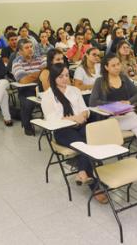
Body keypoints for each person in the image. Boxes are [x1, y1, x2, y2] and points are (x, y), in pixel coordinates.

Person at [41, 63, 107, 204]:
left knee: (92, 139)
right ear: (53, 78)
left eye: (66, 75)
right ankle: (94, 186)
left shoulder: (74, 90)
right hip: (62, 130)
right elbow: (52, 119)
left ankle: (82, 172)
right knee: (85, 145)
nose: (65, 79)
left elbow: (85, 109)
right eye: (61, 76)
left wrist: (83, 115)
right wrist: (73, 118)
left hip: (80, 124)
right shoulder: (47, 95)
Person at [89, 54, 137, 163]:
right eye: (113, 65)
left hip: (128, 115)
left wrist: (128, 102)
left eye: (118, 64)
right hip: (111, 119)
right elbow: (93, 101)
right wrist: (115, 104)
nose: (117, 67)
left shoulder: (123, 78)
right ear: (106, 67)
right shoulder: (100, 81)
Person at [12, 39, 47, 135]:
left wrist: (31, 75)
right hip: (26, 89)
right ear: (20, 51)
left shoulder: (40, 58)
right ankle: (27, 126)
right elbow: (23, 80)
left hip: (42, 86)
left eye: (31, 47)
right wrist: (41, 72)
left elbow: (48, 72)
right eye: (26, 48)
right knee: (28, 103)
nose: (30, 49)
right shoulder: (16, 62)